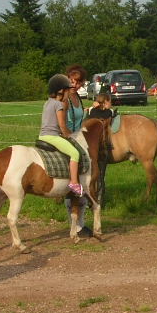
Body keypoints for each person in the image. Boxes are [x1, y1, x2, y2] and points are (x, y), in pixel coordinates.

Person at [39, 74, 84, 196]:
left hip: (42, 135)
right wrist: (70, 135)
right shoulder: (58, 105)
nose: (69, 94)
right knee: (75, 153)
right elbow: (62, 125)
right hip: (52, 137)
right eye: (68, 91)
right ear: (61, 91)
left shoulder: (47, 103)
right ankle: (74, 183)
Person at [63, 65, 92, 234]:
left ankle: (80, 221)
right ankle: (76, 224)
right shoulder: (64, 98)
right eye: (72, 80)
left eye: (78, 81)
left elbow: (80, 121)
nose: (75, 84)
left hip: (77, 136)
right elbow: (61, 122)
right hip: (65, 136)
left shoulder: (78, 98)